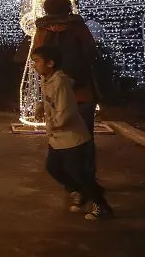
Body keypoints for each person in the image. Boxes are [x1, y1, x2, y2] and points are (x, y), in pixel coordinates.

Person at [31, 45, 113, 220]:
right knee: (53, 167)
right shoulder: (47, 80)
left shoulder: (60, 82)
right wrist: (41, 108)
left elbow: (66, 110)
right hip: (57, 138)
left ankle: (101, 204)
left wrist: (54, 124)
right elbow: (50, 102)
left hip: (71, 138)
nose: (34, 65)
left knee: (79, 173)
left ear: (50, 63)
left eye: (37, 61)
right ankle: (81, 192)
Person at [32, 0, 103, 137]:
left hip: (56, 93)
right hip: (82, 92)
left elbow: (37, 56)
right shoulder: (79, 27)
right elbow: (92, 53)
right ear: (68, 8)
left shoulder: (42, 30)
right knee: (84, 136)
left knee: (60, 136)